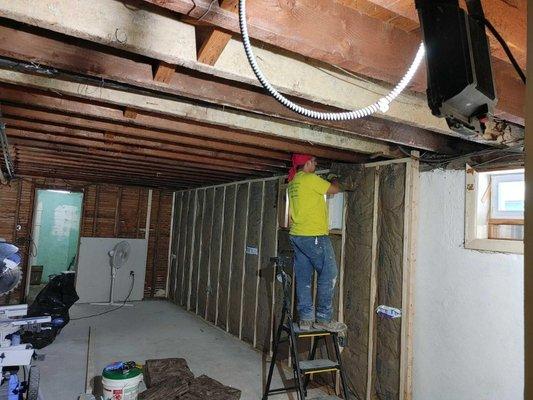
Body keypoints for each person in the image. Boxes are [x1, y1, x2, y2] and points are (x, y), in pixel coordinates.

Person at [287, 154, 346, 332]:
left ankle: (305, 318)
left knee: (304, 276)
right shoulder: (310, 179)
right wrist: (333, 177)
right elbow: (334, 189)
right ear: (306, 164)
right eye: (313, 161)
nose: (316, 164)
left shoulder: (293, 182)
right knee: (329, 273)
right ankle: (323, 318)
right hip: (314, 235)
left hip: (297, 236)